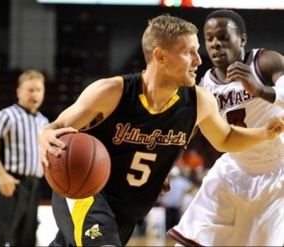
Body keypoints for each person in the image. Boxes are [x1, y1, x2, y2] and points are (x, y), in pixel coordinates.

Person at [39, 14, 284, 247]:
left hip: (129, 208)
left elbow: (227, 138)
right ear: (161, 56)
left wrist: (266, 133)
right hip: (89, 192)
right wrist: (45, 134)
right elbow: (57, 127)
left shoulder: (200, 101)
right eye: (189, 52)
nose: (199, 60)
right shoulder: (112, 92)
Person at [168, 9, 284, 246]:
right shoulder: (204, 84)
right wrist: (166, 167)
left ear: (242, 39)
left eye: (223, 37)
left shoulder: (266, 61)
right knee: (189, 241)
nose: (215, 44)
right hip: (233, 169)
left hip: (276, 172)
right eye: (209, 39)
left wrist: (259, 90)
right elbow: (187, 132)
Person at [0, 69, 49, 246]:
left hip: (34, 185)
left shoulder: (44, 121)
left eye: (38, 90)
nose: (34, 94)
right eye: (30, 90)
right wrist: (1, 175)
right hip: (11, 182)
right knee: (1, 235)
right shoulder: (6, 115)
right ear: (19, 91)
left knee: (27, 238)